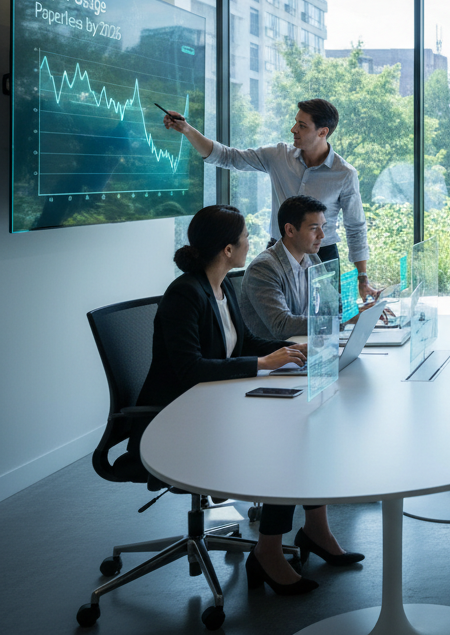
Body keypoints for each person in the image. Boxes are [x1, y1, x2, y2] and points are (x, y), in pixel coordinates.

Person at [134, 205, 363, 596]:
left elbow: (244, 342)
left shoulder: (223, 286)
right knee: (288, 445)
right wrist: (262, 363)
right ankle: (268, 552)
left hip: (218, 403)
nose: (249, 244)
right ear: (227, 249)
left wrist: (289, 350)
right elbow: (191, 369)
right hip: (180, 418)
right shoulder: (185, 294)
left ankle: (316, 531)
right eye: (244, 239)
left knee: (310, 431)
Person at [160, 98, 378, 299]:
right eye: (296, 122)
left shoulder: (344, 174)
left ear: (323, 132)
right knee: (274, 317)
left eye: (302, 125)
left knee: (327, 318)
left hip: (322, 255)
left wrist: (363, 277)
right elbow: (227, 156)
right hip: (279, 250)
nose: (294, 129)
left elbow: (355, 227)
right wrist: (186, 129)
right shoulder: (278, 155)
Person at [240, 194, 328, 339]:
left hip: (305, 344)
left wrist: (357, 311)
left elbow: (330, 301)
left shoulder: (312, 257)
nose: (322, 235)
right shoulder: (263, 268)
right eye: (314, 229)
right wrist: (335, 321)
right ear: (290, 230)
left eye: (322, 227)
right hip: (276, 351)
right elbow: (281, 324)